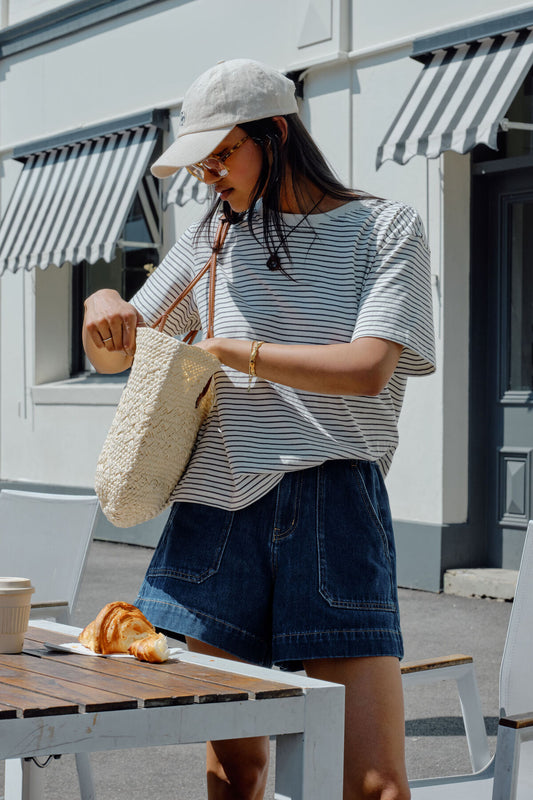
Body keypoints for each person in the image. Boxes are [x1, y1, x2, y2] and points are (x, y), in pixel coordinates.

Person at [83, 58, 435, 800]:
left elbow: (368, 367)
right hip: (216, 507)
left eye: (221, 155)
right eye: (200, 163)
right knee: (235, 770)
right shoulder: (210, 235)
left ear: (275, 134)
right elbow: (128, 344)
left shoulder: (384, 227)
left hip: (332, 506)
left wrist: (232, 351)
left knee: (374, 785)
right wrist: (102, 305)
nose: (209, 177)